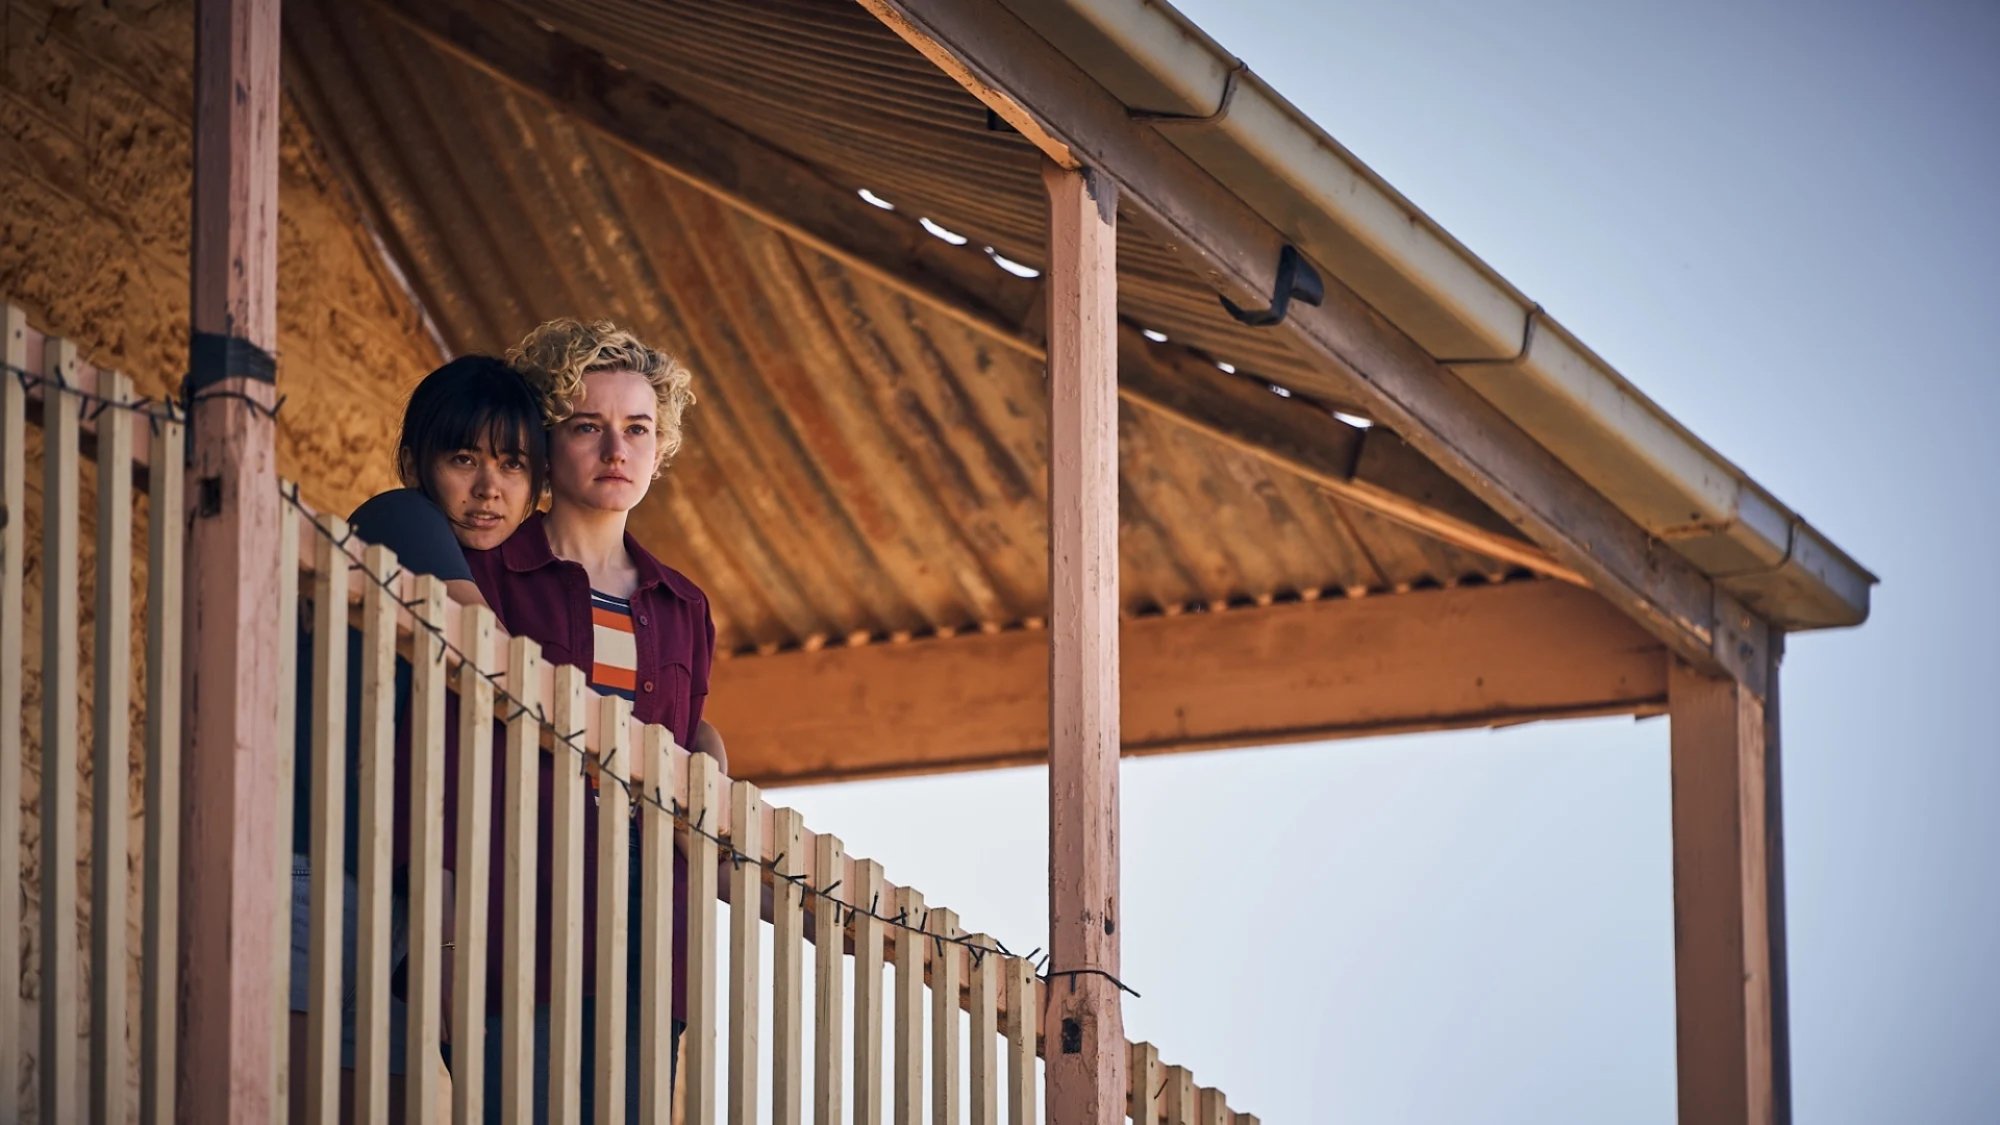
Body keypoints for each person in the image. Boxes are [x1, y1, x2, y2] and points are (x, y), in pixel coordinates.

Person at [457, 319, 722, 1122]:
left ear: (659, 443)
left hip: (648, 926)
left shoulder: (684, 604)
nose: (616, 448)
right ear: (547, 441)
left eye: (637, 428)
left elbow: (692, 727)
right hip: (520, 907)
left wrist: (713, 763)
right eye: (587, 426)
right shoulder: (490, 567)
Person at [288, 355, 547, 1124]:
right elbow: (487, 651)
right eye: (463, 457)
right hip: (317, 859)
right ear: (419, 464)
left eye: (512, 463)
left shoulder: (484, 570)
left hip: (401, 888)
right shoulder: (402, 517)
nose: (489, 486)